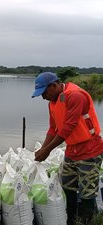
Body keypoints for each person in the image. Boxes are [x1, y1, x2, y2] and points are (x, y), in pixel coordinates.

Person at [32, 72, 103, 225]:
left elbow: (68, 128)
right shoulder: (52, 102)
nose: (43, 97)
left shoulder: (75, 95)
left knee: (87, 192)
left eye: (44, 93)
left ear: (54, 85)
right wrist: (42, 149)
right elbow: (53, 129)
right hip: (72, 150)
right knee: (67, 185)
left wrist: (47, 150)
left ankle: (88, 221)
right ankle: (72, 219)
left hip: (89, 150)